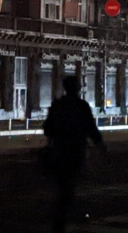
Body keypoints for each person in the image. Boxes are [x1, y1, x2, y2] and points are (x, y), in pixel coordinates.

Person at [43, 76, 104, 233]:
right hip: (76, 151)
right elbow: (91, 128)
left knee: (63, 186)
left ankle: (59, 219)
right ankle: (63, 218)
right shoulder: (81, 106)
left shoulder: (58, 105)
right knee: (70, 186)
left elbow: (47, 129)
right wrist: (100, 144)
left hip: (60, 151)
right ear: (77, 88)